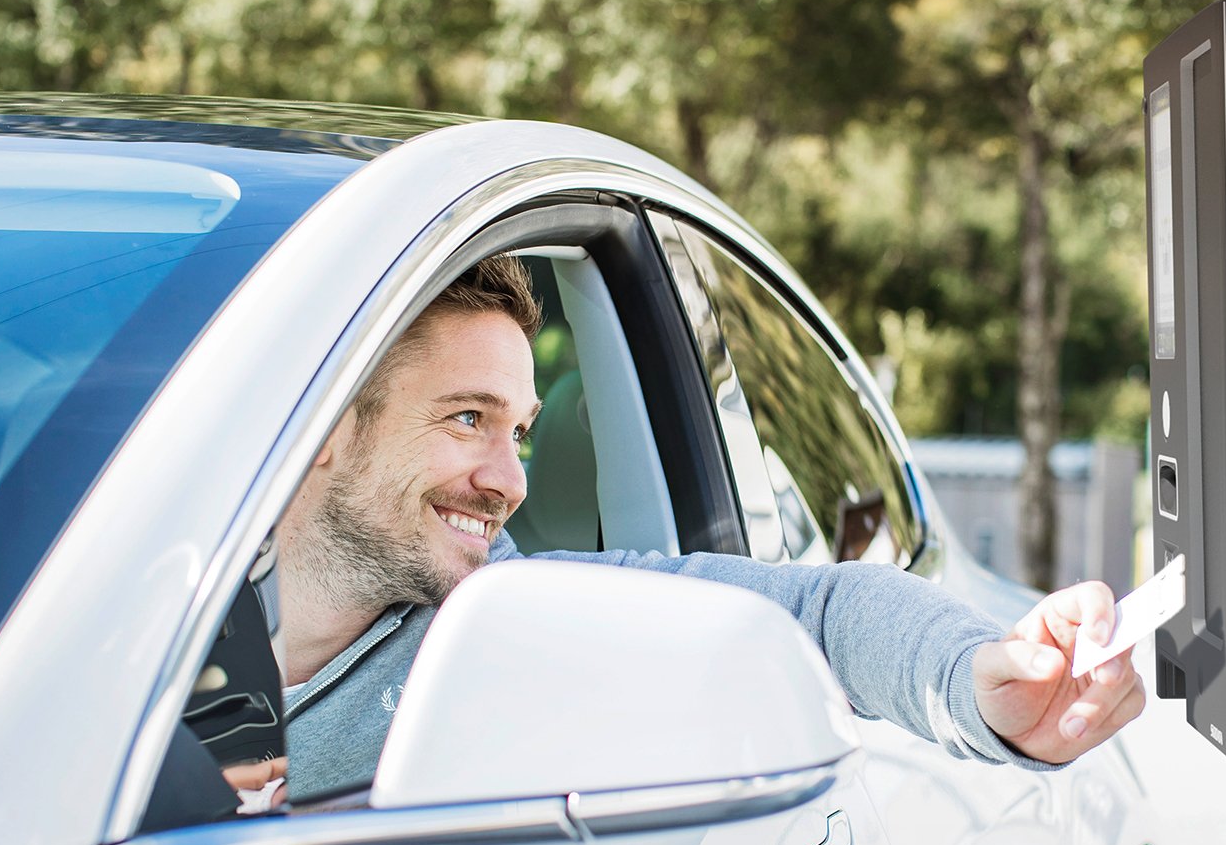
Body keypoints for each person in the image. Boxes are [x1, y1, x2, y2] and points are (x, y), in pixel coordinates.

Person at [230, 256, 1146, 803]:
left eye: (519, 431)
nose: (508, 479)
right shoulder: (129, 603)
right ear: (327, 431)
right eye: (467, 418)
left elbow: (816, 614)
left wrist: (975, 681)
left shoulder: (513, 620)